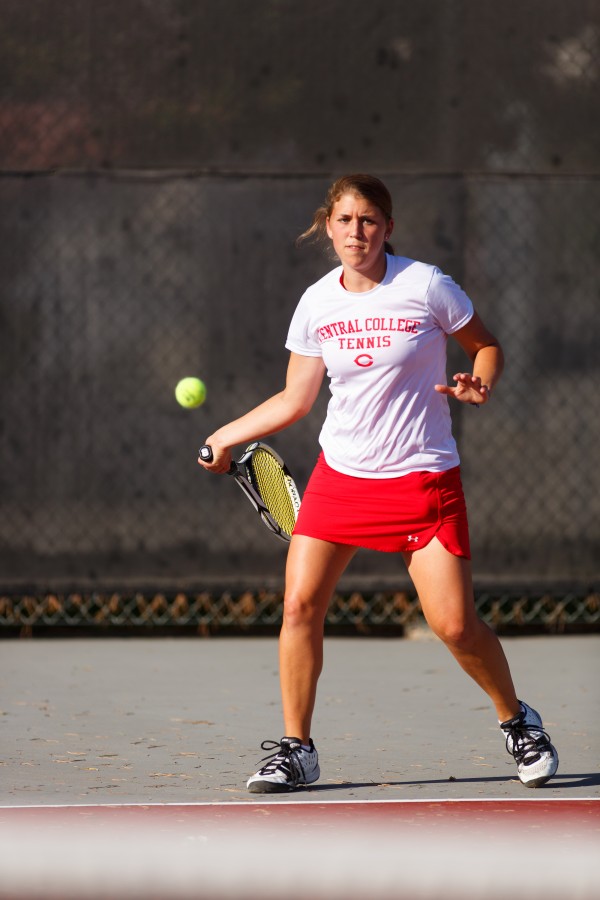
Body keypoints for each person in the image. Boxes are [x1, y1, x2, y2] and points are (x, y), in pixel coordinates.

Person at [198, 173, 559, 793]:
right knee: (299, 606)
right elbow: (295, 398)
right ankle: (297, 749)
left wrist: (481, 381)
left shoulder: (425, 285)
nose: (356, 232)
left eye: (369, 220)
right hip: (341, 479)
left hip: (422, 478)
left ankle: (518, 721)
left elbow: (486, 345)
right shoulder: (317, 303)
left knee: (453, 624)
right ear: (328, 226)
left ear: (388, 228)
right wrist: (228, 435)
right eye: (345, 220)